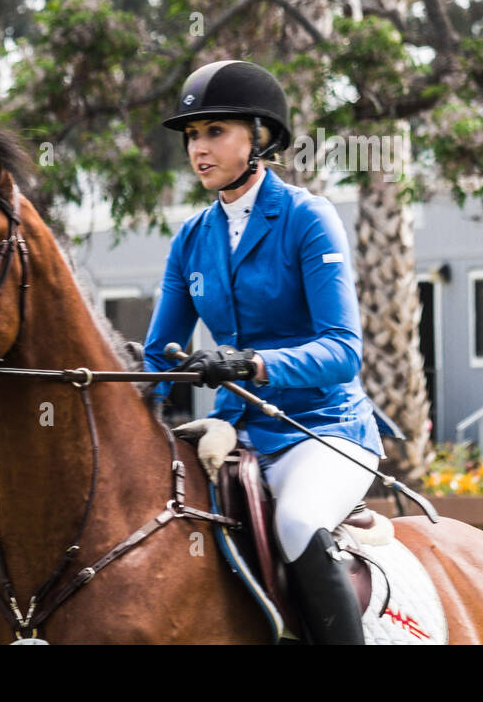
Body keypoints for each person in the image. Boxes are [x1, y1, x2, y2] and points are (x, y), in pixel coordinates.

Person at [142, 59, 401, 645]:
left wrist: (249, 364)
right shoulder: (190, 239)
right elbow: (159, 356)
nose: (198, 149)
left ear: (259, 137)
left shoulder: (309, 219)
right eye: (191, 136)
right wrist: (131, 401)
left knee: (297, 521)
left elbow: (343, 351)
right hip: (236, 431)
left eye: (214, 132)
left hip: (322, 429)